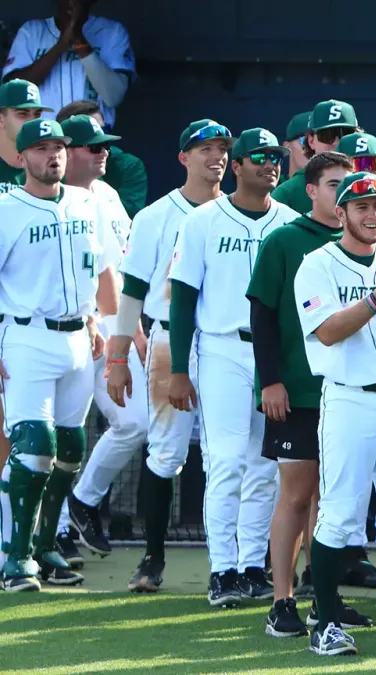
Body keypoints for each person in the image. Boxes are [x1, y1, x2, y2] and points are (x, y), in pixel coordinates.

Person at [293, 171, 376, 656]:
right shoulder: (316, 264)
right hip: (349, 397)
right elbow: (327, 332)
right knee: (341, 514)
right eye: (362, 206)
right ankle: (325, 623)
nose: (373, 215)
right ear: (341, 212)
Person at [166, 127, 300, 606]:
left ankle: (251, 565)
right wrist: (178, 368)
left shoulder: (290, 221)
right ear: (237, 166)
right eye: (258, 156)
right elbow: (182, 300)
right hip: (222, 347)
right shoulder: (202, 220)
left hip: (274, 355)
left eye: (276, 156)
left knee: (266, 465)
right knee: (223, 460)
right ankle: (222, 569)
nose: (270, 163)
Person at [100, 119, 233, 593]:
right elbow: (132, 289)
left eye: (222, 149)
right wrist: (118, 356)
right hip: (167, 339)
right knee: (166, 452)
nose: (214, 156)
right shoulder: (157, 214)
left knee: (231, 456)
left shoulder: (243, 212)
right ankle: (152, 558)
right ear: (183, 157)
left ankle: (235, 564)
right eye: (204, 149)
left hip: (227, 343)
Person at [247, 151, 372, 638]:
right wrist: (269, 381)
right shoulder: (285, 240)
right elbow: (262, 315)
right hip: (297, 391)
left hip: (350, 392)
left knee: (335, 500)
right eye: (334, 184)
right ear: (312, 190)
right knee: (296, 495)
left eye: (351, 185)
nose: (343, 193)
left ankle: (325, 600)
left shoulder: (372, 241)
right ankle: (282, 601)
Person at [0, 118, 121, 592]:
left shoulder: (87, 203)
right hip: (26, 335)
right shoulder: (7, 209)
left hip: (78, 337)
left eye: (60, 147)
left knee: (69, 451)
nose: (54, 155)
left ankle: (47, 546)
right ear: (20, 158)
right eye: (43, 147)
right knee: (33, 449)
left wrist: (96, 320)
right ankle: (15, 555)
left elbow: (98, 270)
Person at [52, 114, 141, 578]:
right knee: (58, 434)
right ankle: (54, 532)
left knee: (134, 421)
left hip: (110, 321)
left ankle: (82, 502)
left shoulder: (106, 195)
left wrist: (130, 328)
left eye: (105, 145)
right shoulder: (50, 199)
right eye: (92, 147)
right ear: (66, 152)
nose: (102, 152)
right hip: (65, 325)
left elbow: (121, 268)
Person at [1, 0, 135, 127]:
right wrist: (61, 45)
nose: (73, 1)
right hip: (41, 139)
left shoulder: (112, 32)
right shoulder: (32, 31)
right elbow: (14, 92)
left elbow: (114, 97)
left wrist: (78, 39)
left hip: (92, 140)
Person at [55, 99, 147, 217]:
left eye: (104, 134)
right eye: (93, 143)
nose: (104, 152)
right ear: (65, 150)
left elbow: (130, 215)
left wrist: (91, 175)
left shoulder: (124, 170)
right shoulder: (46, 176)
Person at [272, 100, 361, 213]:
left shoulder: (370, 184)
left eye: (346, 135)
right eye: (328, 136)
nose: (336, 143)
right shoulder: (287, 193)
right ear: (311, 141)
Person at [0, 79, 52, 194]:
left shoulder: (50, 166)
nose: (32, 121)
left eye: (37, 114)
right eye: (22, 114)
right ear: (1, 119)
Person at [282, 112, 311, 179]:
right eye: (305, 140)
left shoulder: (339, 188)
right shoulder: (271, 187)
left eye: (319, 140)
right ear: (287, 146)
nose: (313, 147)